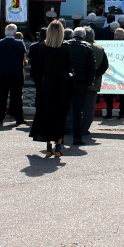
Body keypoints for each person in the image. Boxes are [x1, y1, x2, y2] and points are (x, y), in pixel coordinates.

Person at [30, 20, 72, 157]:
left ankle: (48, 145)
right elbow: (69, 66)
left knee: (47, 113)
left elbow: (40, 66)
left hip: (47, 83)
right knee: (60, 114)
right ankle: (59, 144)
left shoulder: (42, 47)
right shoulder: (66, 47)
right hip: (62, 83)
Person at [65, 26, 96, 145]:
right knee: (78, 110)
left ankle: (60, 136)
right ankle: (77, 137)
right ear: (83, 36)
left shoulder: (66, 45)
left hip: (66, 81)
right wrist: (89, 82)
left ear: (73, 35)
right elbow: (91, 68)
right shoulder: (87, 47)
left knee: (65, 108)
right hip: (81, 82)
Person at [0, 23, 27, 125]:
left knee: (2, 96)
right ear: (15, 33)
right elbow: (23, 54)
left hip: (3, 72)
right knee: (17, 97)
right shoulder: (19, 43)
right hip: (16, 73)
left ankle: (0, 117)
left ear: (5, 32)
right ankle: (19, 117)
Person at [104, 27, 124, 119]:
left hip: (111, 72)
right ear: (123, 37)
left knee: (109, 94)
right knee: (122, 94)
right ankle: (121, 113)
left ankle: (109, 113)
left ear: (114, 35)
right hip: (122, 73)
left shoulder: (109, 45)